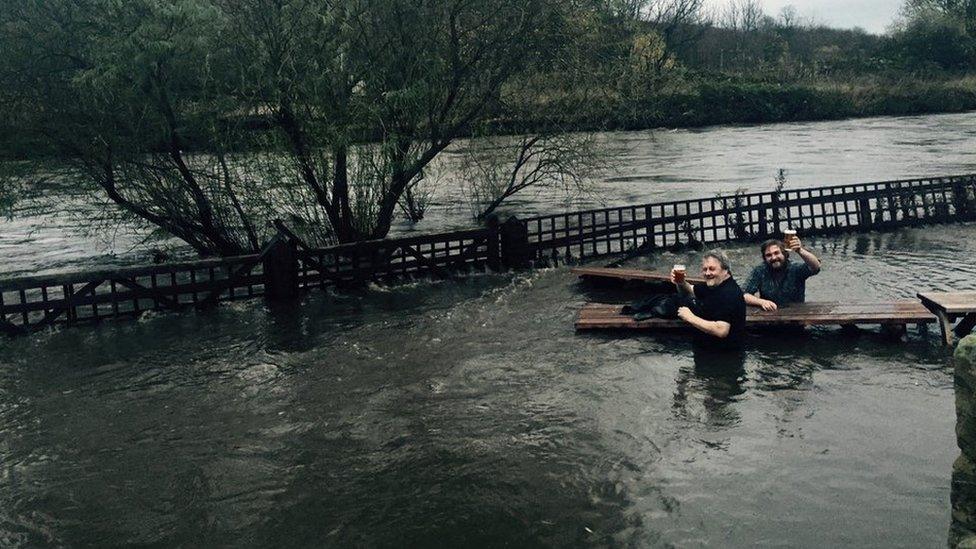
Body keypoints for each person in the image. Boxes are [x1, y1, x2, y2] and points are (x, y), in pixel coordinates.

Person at [670, 250, 747, 349]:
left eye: (712, 269)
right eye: (705, 269)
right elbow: (690, 291)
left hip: (723, 356)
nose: (707, 273)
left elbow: (721, 330)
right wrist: (680, 282)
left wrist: (690, 317)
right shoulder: (714, 284)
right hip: (707, 350)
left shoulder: (729, 293)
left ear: (725, 270)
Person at [742, 237, 821, 311]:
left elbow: (815, 267)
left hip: (795, 316)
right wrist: (761, 302)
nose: (773, 258)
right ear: (764, 258)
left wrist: (800, 250)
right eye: (769, 255)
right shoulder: (760, 271)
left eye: (776, 253)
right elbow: (744, 294)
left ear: (784, 254)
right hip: (769, 316)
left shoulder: (795, 269)